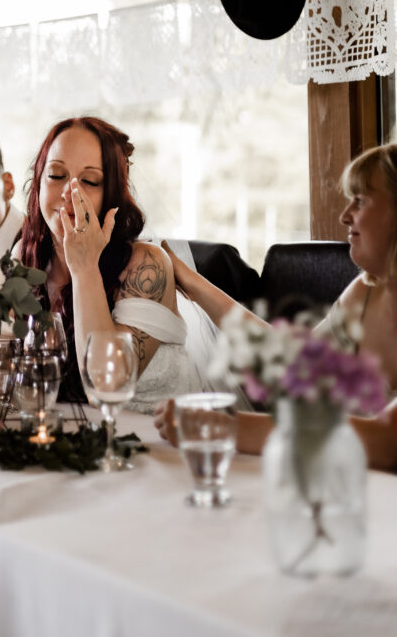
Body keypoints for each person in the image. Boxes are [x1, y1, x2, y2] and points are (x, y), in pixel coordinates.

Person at [154, 142, 397, 471]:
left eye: (361, 200)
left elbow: (386, 442)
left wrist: (221, 425)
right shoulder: (366, 292)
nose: (345, 215)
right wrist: (192, 283)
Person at [16, 116, 219, 410]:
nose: (68, 192)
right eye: (56, 175)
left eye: (89, 181)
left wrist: (84, 266)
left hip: (161, 443)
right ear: (37, 184)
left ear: (110, 193)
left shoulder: (146, 265)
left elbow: (105, 386)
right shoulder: (25, 259)